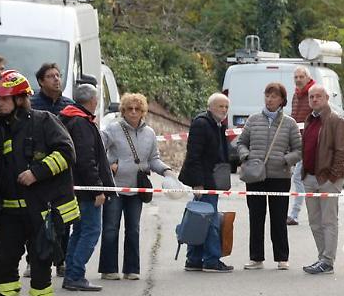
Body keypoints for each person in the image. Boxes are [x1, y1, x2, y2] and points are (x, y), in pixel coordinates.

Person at [0, 70, 80, 296]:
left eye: (5, 99)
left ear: (21, 99)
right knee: (3, 265)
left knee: (41, 267)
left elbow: (67, 152)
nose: (0, 104)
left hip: (41, 212)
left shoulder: (44, 122)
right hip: (8, 212)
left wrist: (37, 172)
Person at [101, 93, 174, 280]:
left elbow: (153, 159)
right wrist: (109, 167)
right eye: (129, 109)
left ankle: (131, 269)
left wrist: (166, 171)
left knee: (133, 229)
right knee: (110, 228)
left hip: (137, 189)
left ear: (143, 111)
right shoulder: (112, 129)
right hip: (115, 188)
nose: (133, 112)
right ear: (123, 110)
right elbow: (98, 151)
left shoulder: (149, 133)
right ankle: (109, 269)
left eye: (137, 109)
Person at [236, 82, 302, 269]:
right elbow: (241, 142)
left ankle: (282, 258)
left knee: (279, 218)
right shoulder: (253, 119)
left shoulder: (289, 123)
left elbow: (299, 150)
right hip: (255, 176)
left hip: (280, 177)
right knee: (256, 217)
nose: (269, 99)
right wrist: (245, 156)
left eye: (274, 96)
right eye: (267, 95)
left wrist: (285, 159)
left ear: (282, 100)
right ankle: (256, 258)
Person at [59, 82, 114, 291]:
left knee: (79, 231)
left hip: (75, 187)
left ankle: (72, 274)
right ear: (92, 101)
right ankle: (75, 275)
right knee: (90, 231)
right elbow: (86, 160)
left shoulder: (69, 118)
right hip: (85, 190)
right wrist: (97, 189)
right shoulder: (81, 123)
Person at [177, 93, 233, 273]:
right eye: (220, 106)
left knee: (199, 219)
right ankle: (211, 259)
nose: (224, 110)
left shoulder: (217, 124)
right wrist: (198, 183)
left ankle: (194, 259)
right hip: (204, 181)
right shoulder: (202, 123)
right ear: (210, 107)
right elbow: (193, 155)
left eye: (226, 107)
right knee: (209, 220)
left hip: (212, 179)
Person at [30, 63, 76, 276]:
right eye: (51, 76)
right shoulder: (32, 105)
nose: (56, 79)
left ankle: (61, 260)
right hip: (37, 169)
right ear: (40, 81)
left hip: (61, 170)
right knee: (36, 218)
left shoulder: (69, 105)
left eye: (58, 75)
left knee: (62, 218)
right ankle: (34, 260)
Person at [299, 85, 344, 275]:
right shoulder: (310, 120)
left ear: (327, 98)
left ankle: (328, 260)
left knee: (328, 221)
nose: (314, 100)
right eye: (311, 97)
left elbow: (342, 152)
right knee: (314, 221)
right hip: (309, 177)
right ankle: (322, 258)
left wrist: (333, 176)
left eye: (318, 96)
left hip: (327, 179)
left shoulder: (337, 121)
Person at [287, 66, 313, 226]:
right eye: (296, 77)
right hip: (298, 141)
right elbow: (294, 117)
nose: (298, 79)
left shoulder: (313, 94)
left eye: (301, 77)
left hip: (310, 143)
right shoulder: (296, 95)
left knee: (298, 177)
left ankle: (295, 214)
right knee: (304, 179)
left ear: (307, 78)